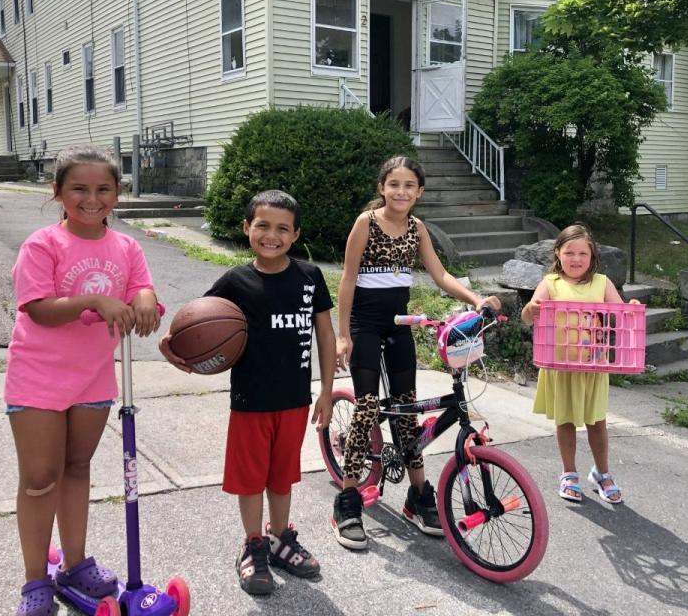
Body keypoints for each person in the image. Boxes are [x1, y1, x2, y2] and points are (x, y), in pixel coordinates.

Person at [5, 145, 160, 616]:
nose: (92, 199)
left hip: (94, 379)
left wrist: (147, 298)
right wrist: (95, 303)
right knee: (39, 478)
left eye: (103, 189)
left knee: (76, 469)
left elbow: (139, 285)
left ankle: (74, 563)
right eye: (79, 188)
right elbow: (39, 308)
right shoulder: (42, 245)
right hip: (38, 377)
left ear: (117, 193)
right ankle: (35, 578)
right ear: (58, 193)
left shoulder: (126, 246)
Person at [159, 190, 336, 596]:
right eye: (262, 226)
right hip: (250, 401)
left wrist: (326, 391)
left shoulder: (310, 276)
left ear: (295, 235)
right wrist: (172, 347)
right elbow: (193, 325)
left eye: (282, 229)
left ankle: (279, 540)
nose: (271, 235)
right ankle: (254, 544)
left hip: (294, 400)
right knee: (250, 480)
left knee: (283, 478)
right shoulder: (235, 281)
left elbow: (324, 335)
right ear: (246, 228)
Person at [332, 155, 501, 550]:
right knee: (368, 406)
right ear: (382, 188)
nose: (401, 191)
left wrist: (477, 300)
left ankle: (419, 494)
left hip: (400, 325)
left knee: (408, 407)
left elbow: (440, 275)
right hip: (365, 325)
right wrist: (343, 335)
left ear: (419, 192)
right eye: (394, 184)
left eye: (409, 185)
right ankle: (349, 496)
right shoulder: (366, 223)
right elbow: (348, 278)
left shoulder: (417, 227)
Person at [520, 223, 634, 505]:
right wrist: (532, 309)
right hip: (560, 365)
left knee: (597, 421)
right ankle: (569, 473)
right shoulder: (550, 283)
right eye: (569, 252)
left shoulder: (602, 283)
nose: (576, 259)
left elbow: (620, 315)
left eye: (582, 253)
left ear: (592, 255)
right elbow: (527, 314)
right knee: (566, 420)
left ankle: (602, 473)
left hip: (592, 366)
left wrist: (629, 307)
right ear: (557, 253)